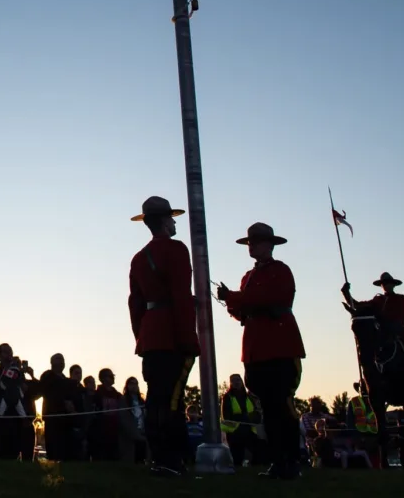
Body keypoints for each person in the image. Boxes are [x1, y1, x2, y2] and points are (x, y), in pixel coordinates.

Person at [217, 222, 307, 480]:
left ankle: (291, 461)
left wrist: (233, 297)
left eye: (255, 242)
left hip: (280, 347)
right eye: (250, 242)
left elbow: (266, 299)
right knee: (267, 409)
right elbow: (244, 311)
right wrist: (230, 303)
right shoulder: (248, 276)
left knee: (282, 406)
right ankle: (278, 461)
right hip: (256, 349)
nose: (252, 246)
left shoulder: (281, 271)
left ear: (269, 245)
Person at [127, 196, 200, 476]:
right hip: (171, 334)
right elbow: (181, 296)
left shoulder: (138, 258)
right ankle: (171, 460)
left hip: (151, 336)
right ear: (164, 222)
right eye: (171, 218)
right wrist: (189, 338)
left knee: (156, 398)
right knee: (172, 400)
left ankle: (159, 457)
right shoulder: (177, 250)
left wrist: (142, 336)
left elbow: (135, 305)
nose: (174, 222)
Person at [341, 272, 404, 356]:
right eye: (384, 283)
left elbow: (403, 315)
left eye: (388, 283)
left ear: (393, 285)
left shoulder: (401, 298)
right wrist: (346, 292)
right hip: (380, 330)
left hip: (398, 329)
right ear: (381, 286)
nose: (386, 285)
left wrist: (390, 324)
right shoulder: (377, 300)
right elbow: (357, 305)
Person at [0, 344, 38, 461]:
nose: (9, 355)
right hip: (2, 422)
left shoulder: (20, 373)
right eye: (6, 352)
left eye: (10, 352)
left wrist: (31, 376)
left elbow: (35, 394)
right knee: (2, 459)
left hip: (22, 423)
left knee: (26, 459)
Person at [221, 373, 260, 466]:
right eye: (233, 380)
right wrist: (245, 417)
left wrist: (248, 417)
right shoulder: (227, 397)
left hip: (250, 430)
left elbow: (256, 414)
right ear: (230, 383)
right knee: (237, 458)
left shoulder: (249, 397)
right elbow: (227, 416)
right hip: (234, 432)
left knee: (258, 452)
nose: (236, 382)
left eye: (238, 380)